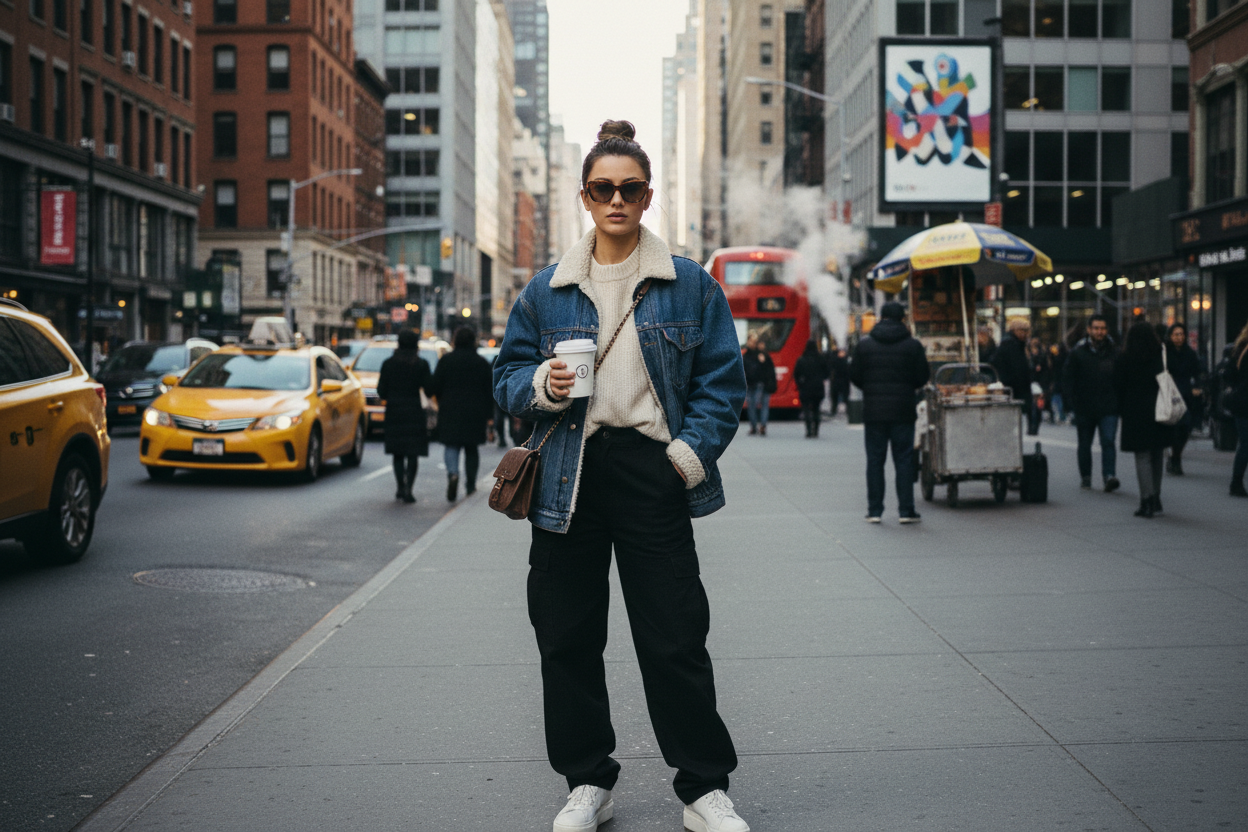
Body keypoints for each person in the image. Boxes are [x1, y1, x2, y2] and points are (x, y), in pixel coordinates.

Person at [492, 120, 750, 832]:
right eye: (603, 188)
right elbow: (506, 376)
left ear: (647, 196)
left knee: (673, 635)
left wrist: (685, 459)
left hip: (651, 470)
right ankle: (588, 781)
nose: (616, 200)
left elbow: (723, 386)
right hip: (566, 474)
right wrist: (541, 381)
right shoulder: (547, 291)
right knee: (567, 636)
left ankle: (703, 787)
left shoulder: (688, 284)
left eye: (629, 188)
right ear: (584, 196)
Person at [849, 301, 930, 524]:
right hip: (903, 411)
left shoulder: (865, 345)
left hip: (874, 412)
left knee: (875, 460)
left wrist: (871, 387)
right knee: (903, 460)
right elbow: (922, 377)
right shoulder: (913, 346)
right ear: (902, 319)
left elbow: (855, 375)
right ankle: (906, 510)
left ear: (880, 317)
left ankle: (874, 510)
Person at [1114, 322, 1173, 518]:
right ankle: (1156, 498)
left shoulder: (1125, 357)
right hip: (1159, 409)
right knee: (1156, 454)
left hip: (1135, 411)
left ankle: (1145, 500)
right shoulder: (1159, 355)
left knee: (1142, 456)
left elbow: (1119, 385)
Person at [429, 326, 495, 501]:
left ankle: (453, 474)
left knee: (451, 446)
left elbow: (435, 386)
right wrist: (490, 418)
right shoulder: (481, 362)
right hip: (475, 412)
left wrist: (442, 399)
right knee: (471, 448)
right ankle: (471, 484)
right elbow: (489, 392)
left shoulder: (446, 360)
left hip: (450, 409)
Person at [1063, 315, 1121, 492]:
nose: (1099, 332)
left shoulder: (1115, 352)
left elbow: (1122, 378)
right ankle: (1086, 476)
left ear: (1107, 330)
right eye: (1096, 328)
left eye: (1102, 328)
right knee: (1084, 443)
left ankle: (1109, 475)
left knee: (1108, 441)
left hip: (1109, 406)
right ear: (1089, 330)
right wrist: (1070, 403)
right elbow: (1068, 378)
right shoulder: (1078, 352)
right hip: (1084, 407)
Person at [376, 329, 433, 503]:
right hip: (414, 411)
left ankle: (400, 486)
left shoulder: (388, 364)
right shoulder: (421, 364)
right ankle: (409, 488)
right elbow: (429, 389)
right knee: (413, 453)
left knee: (398, 453)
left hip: (395, 411)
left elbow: (381, 391)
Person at [1164, 323, 1202, 475]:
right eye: (1176, 334)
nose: (1179, 337)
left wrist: (1197, 386)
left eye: (1181, 334)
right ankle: (1174, 458)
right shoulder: (1165, 352)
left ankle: (1176, 455)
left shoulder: (1190, 353)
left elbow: (1197, 371)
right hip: (1170, 393)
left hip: (1186, 393)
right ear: (1170, 336)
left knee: (1185, 427)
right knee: (1174, 427)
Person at [1226, 321, 1248, 497]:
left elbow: (1229, 375)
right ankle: (1236, 483)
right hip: (1244, 403)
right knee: (1246, 444)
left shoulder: (1240, 348)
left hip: (1240, 402)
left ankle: (1236, 482)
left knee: (1245, 443)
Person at [992, 318, 1032, 407]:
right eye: (1024, 330)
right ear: (1015, 330)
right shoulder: (1011, 344)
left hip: (1016, 389)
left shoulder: (1016, 344)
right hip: (1015, 390)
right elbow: (1017, 369)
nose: (1026, 334)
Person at [742, 332, 776, 435]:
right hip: (750, 383)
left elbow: (768, 369)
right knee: (752, 405)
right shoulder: (746, 355)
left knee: (758, 404)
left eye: (754, 341)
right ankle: (754, 426)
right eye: (751, 341)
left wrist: (763, 361)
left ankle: (762, 426)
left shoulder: (761, 354)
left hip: (760, 383)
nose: (752, 343)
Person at [794, 340, 829, 437]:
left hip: (805, 387)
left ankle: (808, 430)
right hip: (818, 387)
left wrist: (799, 384)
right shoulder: (821, 359)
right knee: (816, 409)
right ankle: (816, 430)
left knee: (806, 410)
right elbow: (827, 372)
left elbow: (796, 374)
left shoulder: (801, 359)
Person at [1027, 336, 1051, 436]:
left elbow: (1046, 372)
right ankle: (1031, 427)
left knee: (1037, 408)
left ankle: (1035, 427)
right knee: (1031, 408)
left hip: (1040, 385)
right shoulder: (1028, 356)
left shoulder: (1043, 357)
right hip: (1031, 384)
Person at [827, 346, 850, 417]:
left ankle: (833, 409)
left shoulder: (833, 361)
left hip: (835, 381)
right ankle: (848, 410)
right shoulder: (845, 362)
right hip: (844, 381)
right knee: (845, 396)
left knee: (834, 397)